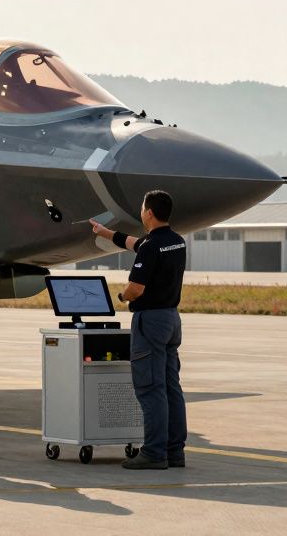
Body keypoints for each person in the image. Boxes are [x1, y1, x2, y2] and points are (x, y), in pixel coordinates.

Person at [89, 190, 188, 470]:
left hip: (150, 321)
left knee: (150, 388)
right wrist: (106, 233)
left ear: (149, 213)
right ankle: (174, 451)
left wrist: (122, 296)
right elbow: (136, 243)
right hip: (171, 319)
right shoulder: (175, 241)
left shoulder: (151, 246)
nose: (141, 211)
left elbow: (136, 289)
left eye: (143, 207)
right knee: (170, 387)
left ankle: (154, 453)